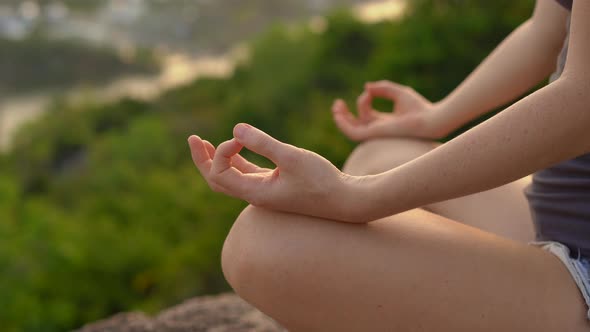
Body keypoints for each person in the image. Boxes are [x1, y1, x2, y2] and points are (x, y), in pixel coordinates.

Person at [188, 0, 590, 330]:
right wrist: (439, 116)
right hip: (563, 223)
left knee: (262, 243)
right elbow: (549, 32)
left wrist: (356, 197)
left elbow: (583, 104)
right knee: (382, 154)